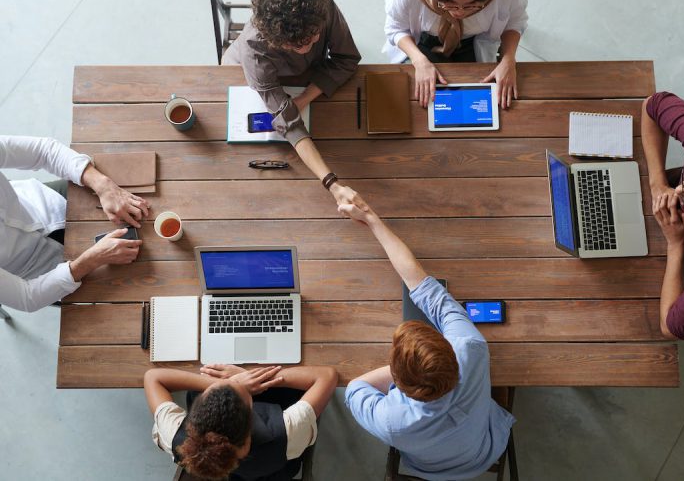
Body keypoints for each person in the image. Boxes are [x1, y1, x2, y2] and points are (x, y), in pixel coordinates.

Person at [339, 198, 514, 480]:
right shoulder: (470, 348)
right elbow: (423, 286)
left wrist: (370, 218)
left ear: (396, 381)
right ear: (449, 352)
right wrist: (371, 216)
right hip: (486, 449)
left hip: (429, 469)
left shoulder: (391, 421)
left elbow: (355, 388)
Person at [223, 0, 366, 210]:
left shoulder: (320, 6)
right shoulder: (254, 49)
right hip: (249, 75)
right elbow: (287, 121)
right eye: (299, 45)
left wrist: (304, 98)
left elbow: (346, 58)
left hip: (306, 78)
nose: (312, 44)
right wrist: (332, 184)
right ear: (274, 39)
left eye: (314, 35)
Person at [0, 135, 148, 312]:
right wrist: (92, 259)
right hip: (45, 272)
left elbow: (43, 151)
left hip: (46, 201)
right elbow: (27, 297)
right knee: (126, 295)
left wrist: (103, 186)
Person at [146, 364, 337, 480]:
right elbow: (327, 375)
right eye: (249, 397)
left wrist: (234, 383)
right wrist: (254, 376)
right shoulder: (288, 433)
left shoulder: (176, 438)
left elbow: (152, 377)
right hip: (273, 472)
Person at [384, 0, 528, 108]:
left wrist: (508, 59)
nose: (459, 13)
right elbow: (396, 28)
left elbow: (514, 23)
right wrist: (419, 61)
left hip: (473, 40)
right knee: (422, 97)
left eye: (471, 6)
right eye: (450, 6)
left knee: (477, 96)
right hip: (426, 41)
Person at [642, 91, 684, 340]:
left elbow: (671, 327)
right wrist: (658, 184)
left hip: (683, 253)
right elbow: (652, 105)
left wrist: (676, 244)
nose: (678, 190)